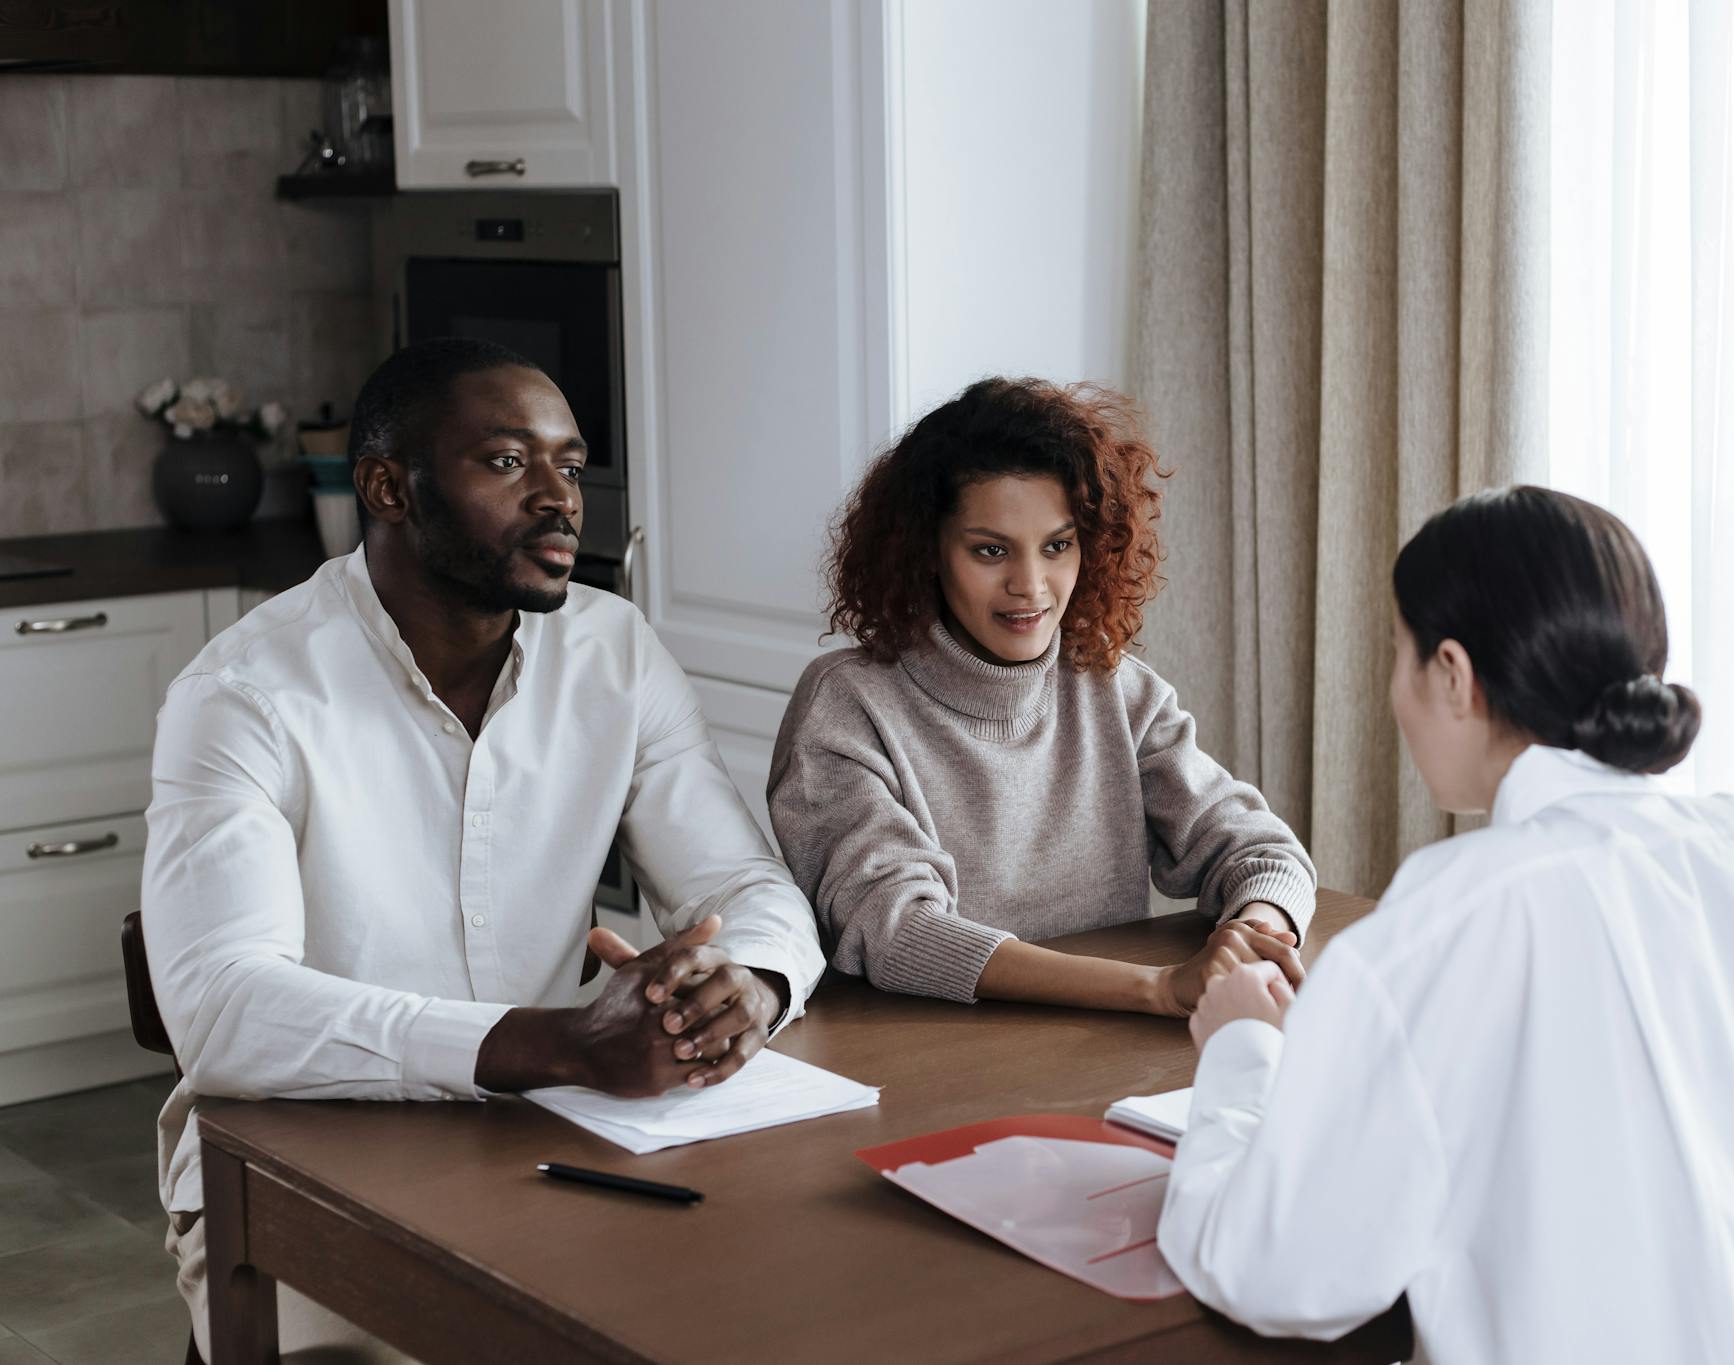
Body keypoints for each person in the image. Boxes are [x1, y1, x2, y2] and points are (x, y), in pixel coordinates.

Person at [144, 338, 826, 1362]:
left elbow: (741, 885)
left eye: (569, 460)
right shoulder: (241, 696)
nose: (560, 497)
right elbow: (223, 1011)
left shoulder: (614, 653)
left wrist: (749, 983)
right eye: (508, 462)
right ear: (388, 486)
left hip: (554, 1147)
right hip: (298, 1177)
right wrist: (556, 1043)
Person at [1157, 486, 1734, 1364]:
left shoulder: (1456, 910)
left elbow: (1278, 1270)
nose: (1393, 691)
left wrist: (1241, 1048)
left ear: (1453, 674)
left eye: (1398, 653)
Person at [767, 377, 1316, 1015]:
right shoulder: (847, 706)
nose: (1030, 586)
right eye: (991, 550)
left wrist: (1255, 933)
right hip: (923, 1069)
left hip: (1103, 1057)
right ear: (927, 552)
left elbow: (1261, 849)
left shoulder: (1118, 690)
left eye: (1057, 546)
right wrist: (1157, 988)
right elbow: (895, 930)